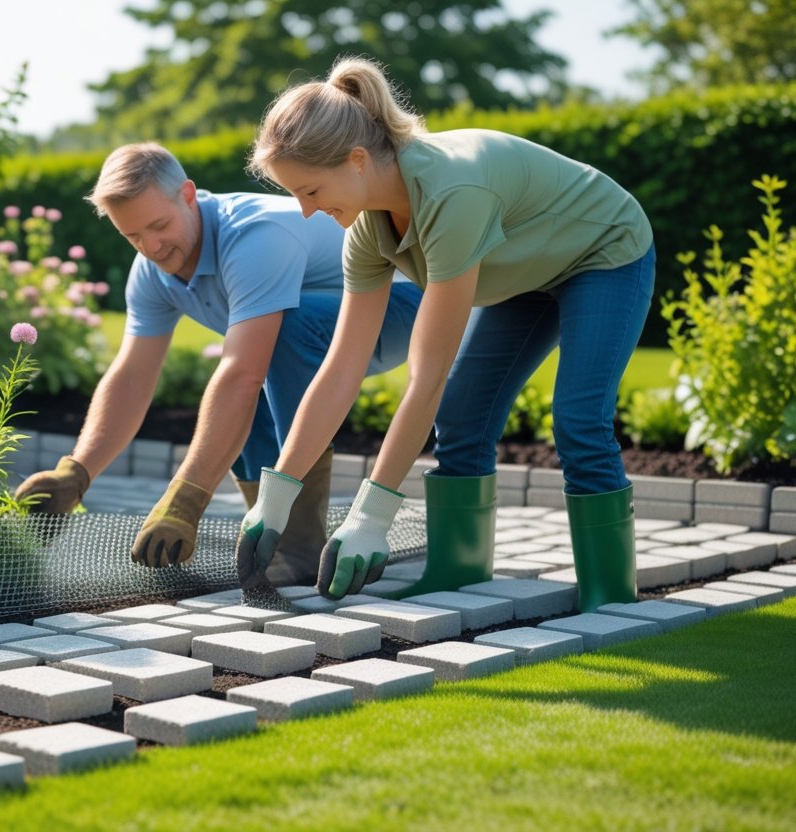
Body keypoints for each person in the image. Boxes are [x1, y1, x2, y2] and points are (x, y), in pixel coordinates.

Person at [236, 56, 655, 612]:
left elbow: (424, 376)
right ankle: (459, 569)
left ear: (357, 160)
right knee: (461, 416)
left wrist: (370, 518)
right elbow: (340, 369)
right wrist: (277, 493)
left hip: (603, 252)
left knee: (578, 419)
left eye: (310, 191)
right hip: (523, 272)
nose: (306, 212)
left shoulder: (451, 194)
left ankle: (610, 598)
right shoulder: (366, 231)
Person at [14, 142, 422, 586]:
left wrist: (186, 499)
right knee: (251, 367)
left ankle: (298, 542)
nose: (151, 246)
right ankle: (276, 535)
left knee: (266, 346)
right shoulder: (152, 269)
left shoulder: (254, 236)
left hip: (402, 303)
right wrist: (78, 471)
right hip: (316, 332)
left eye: (159, 225)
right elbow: (131, 376)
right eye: (132, 236)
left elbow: (241, 376)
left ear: (188, 195)